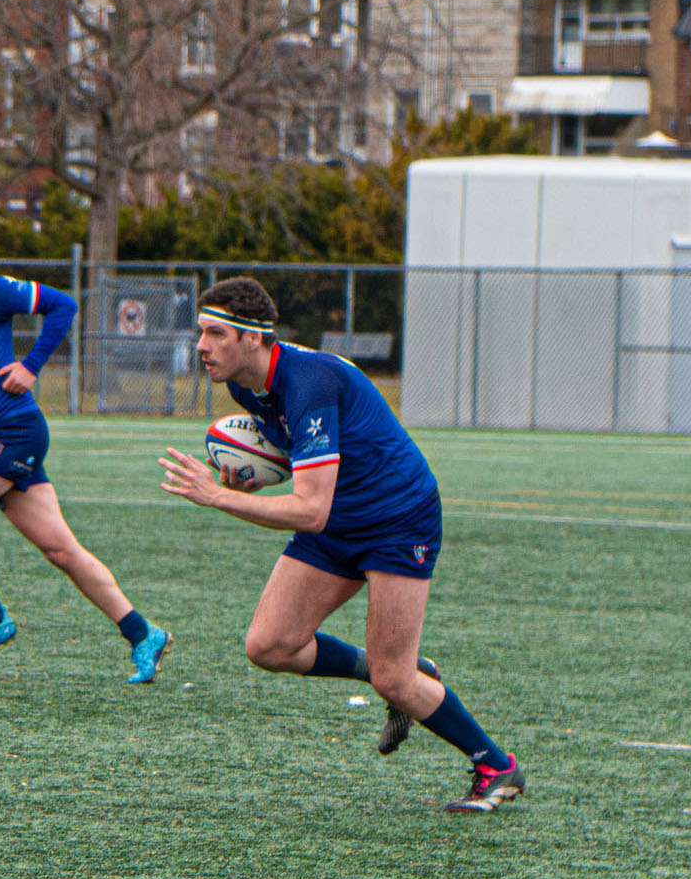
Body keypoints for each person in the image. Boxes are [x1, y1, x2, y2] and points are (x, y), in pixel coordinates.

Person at [158, 277, 524, 812]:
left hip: (397, 518)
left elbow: (310, 508)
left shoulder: (308, 383)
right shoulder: (244, 386)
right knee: (269, 644)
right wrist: (250, 476)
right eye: (200, 333)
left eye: (215, 333)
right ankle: (396, 670)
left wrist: (217, 497)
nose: (201, 346)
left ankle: (497, 765)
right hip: (339, 514)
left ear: (254, 338)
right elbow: (297, 465)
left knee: (393, 678)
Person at [0, 217, 171, 682]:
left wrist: (31, 365)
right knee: (61, 550)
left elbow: (63, 305)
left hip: (13, 428)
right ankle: (144, 634)